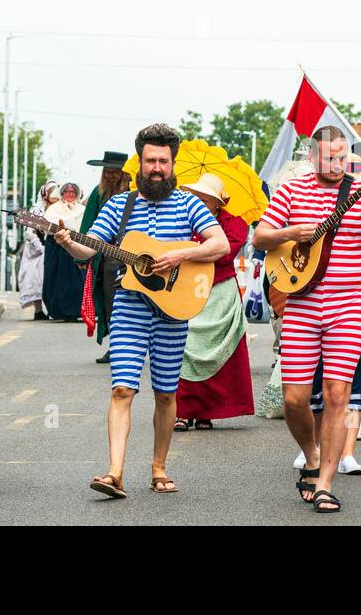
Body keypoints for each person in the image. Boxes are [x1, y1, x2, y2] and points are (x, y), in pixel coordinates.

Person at [56, 123, 228, 499]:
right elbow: (91, 249)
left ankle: (159, 467)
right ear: (140, 163)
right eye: (150, 160)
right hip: (129, 308)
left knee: (166, 394)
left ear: (172, 163)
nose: (156, 168)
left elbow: (220, 244)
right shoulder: (119, 205)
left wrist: (182, 254)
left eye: (163, 161)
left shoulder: (188, 204)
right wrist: (69, 243)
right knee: (122, 389)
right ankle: (115, 472)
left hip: (172, 312)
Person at [252, 126, 361, 513]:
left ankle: (326, 484)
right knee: (295, 399)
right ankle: (311, 456)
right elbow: (260, 239)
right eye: (330, 156)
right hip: (300, 303)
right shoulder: (291, 190)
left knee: (337, 395)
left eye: (342, 155)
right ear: (313, 156)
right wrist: (290, 231)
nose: (337, 162)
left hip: (349, 305)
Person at [294, 235, 361, 476]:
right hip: (312, 299)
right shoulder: (308, 210)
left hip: (355, 302)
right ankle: (314, 446)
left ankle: (348, 453)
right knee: (316, 383)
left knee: (356, 386)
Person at [174, 174, 254, 430]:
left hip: (220, 291)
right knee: (184, 349)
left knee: (218, 351)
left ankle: (208, 412)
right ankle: (183, 412)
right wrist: (198, 249)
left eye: (206, 199)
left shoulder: (235, 223)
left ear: (219, 203)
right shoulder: (180, 218)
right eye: (196, 197)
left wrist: (192, 250)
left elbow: (224, 253)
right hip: (186, 288)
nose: (199, 201)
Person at [80, 151, 131, 363]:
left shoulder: (133, 192)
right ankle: (116, 346)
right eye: (106, 171)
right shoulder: (97, 193)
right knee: (111, 302)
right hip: (106, 259)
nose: (110, 175)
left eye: (114, 171)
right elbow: (88, 223)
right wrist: (82, 258)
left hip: (134, 256)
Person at [43, 182, 87, 321]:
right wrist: (68, 223)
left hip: (76, 246)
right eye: (67, 192)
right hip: (57, 249)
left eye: (72, 192)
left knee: (77, 281)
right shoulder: (54, 209)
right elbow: (47, 225)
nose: (70, 194)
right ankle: (58, 310)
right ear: (62, 193)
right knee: (57, 280)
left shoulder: (82, 209)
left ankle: (77, 310)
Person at [18, 182, 55, 320]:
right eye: (51, 192)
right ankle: (38, 310)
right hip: (36, 251)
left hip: (53, 250)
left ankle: (53, 308)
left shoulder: (59, 209)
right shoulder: (37, 210)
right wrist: (41, 248)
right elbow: (29, 232)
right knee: (35, 279)